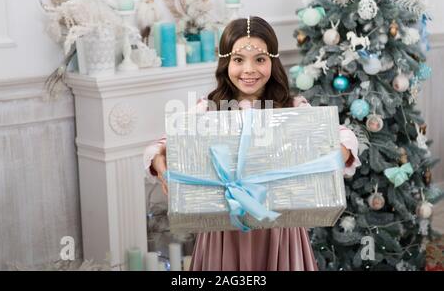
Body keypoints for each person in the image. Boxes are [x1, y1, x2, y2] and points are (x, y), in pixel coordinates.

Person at [144, 16, 361, 271]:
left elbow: (345, 135)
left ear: (272, 61)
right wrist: (160, 164)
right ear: (226, 63)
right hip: (222, 230)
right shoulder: (209, 108)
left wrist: (336, 153)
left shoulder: (292, 107)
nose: (249, 70)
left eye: (259, 59)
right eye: (238, 60)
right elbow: (159, 146)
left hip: (280, 230)